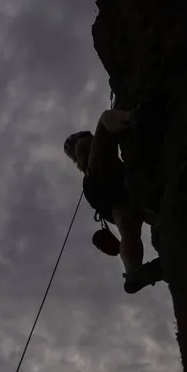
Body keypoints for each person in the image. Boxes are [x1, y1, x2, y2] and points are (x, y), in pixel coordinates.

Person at [64, 108, 163, 294]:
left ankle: (134, 270)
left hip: (108, 196)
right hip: (105, 180)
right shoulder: (83, 144)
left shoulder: (85, 160)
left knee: (128, 226)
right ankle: (134, 116)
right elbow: (99, 135)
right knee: (104, 119)